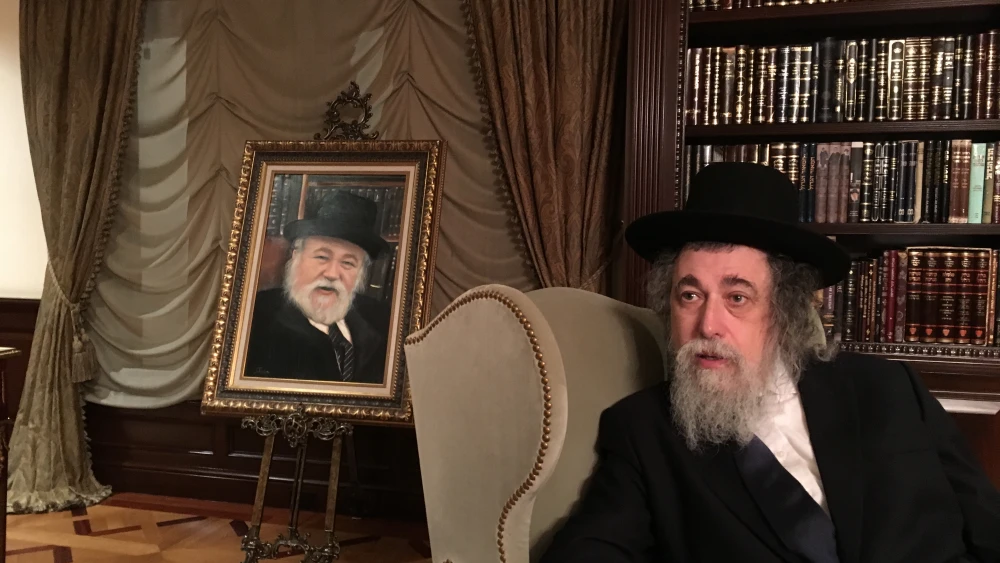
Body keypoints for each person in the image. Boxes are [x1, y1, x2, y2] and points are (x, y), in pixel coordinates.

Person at [540, 162, 1000, 563]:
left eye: (737, 297)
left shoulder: (887, 388)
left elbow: (986, 526)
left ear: (782, 311)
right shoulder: (643, 433)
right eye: (690, 295)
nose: (708, 325)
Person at [245, 191, 390, 384]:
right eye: (322, 257)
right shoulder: (254, 318)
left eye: (348, 263)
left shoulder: (382, 320)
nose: (332, 274)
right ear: (296, 256)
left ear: (361, 273)